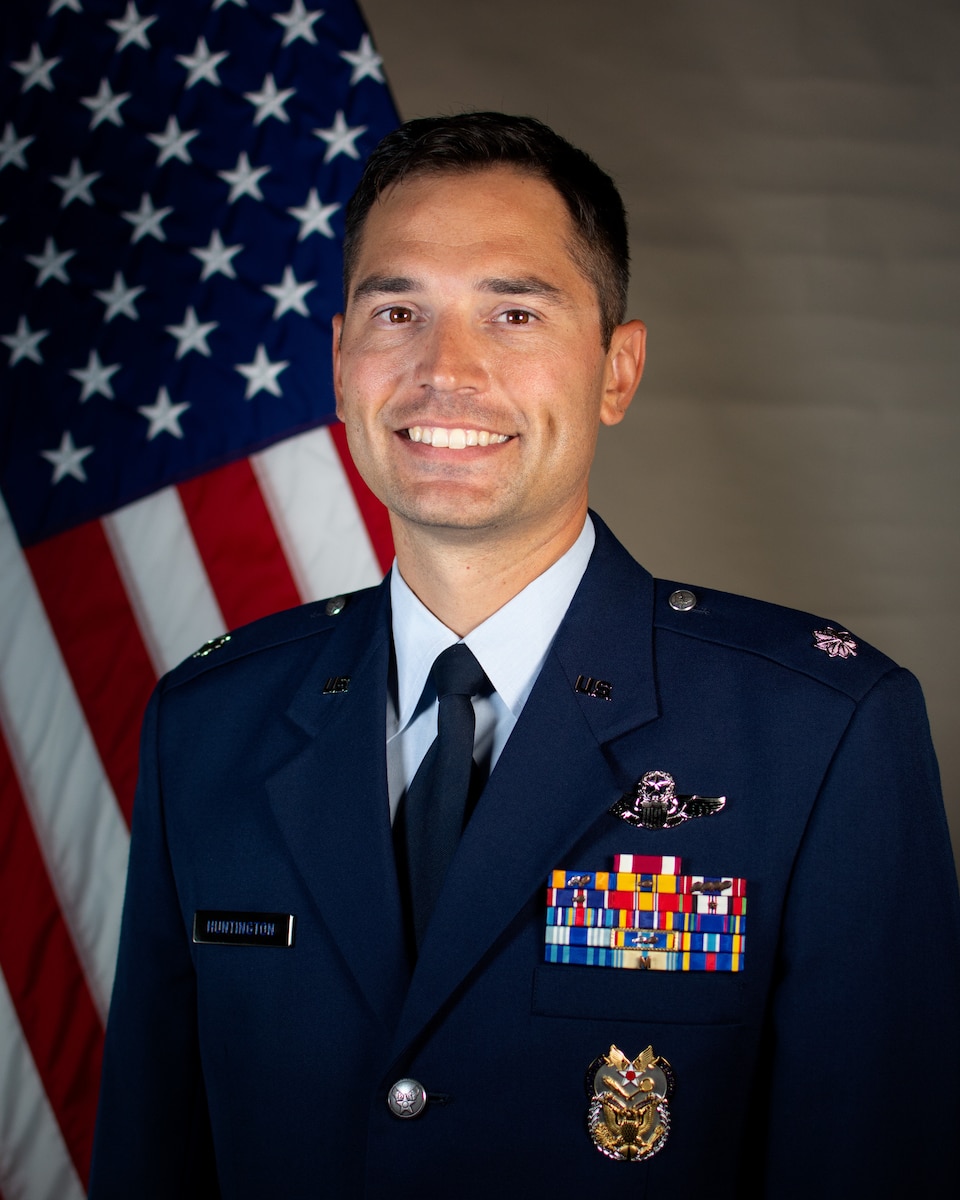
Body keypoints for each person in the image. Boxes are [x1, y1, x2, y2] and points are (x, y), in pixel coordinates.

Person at [90, 113, 960, 1197]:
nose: (443, 371)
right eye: (397, 310)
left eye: (513, 312)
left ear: (616, 369)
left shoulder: (820, 733)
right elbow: (151, 1159)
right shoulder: (209, 722)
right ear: (339, 362)